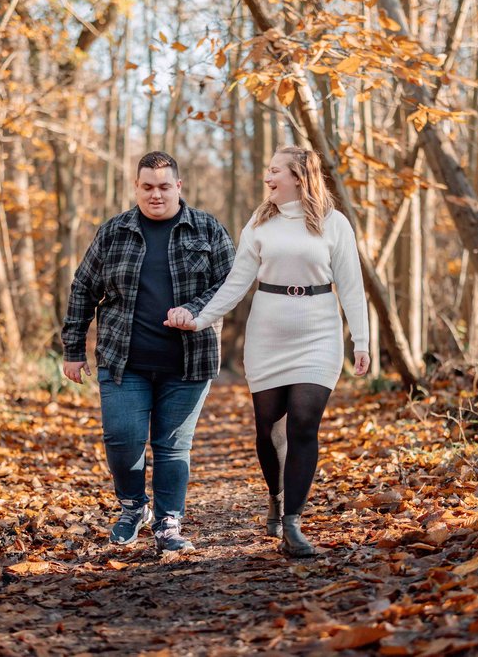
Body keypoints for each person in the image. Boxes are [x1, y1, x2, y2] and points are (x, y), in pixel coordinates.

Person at [164, 146, 369, 557]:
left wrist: (361, 340)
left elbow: (350, 285)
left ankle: (293, 522)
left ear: (299, 176)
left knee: (304, 426)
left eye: (275, 170)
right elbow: (237, 283)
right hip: (268, 333)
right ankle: (275, 495)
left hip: (319, 333)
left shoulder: (334, 224)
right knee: (267, 430)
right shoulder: (260, 223)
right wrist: (200, 319)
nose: (267, 178)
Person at [62, 151, 235, 553]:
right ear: (136, 188)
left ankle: (169, 522)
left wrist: (194, 310)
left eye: (163, 186)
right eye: (147, 187)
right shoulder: (114, 231)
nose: (155, 195)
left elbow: (231, 284)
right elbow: (83, 288)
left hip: (189, 362)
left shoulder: (207, 229)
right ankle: (133, 507)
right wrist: (73, 349)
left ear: (178, 186)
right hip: (124, 361)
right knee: (123, 438)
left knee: (173, 446)